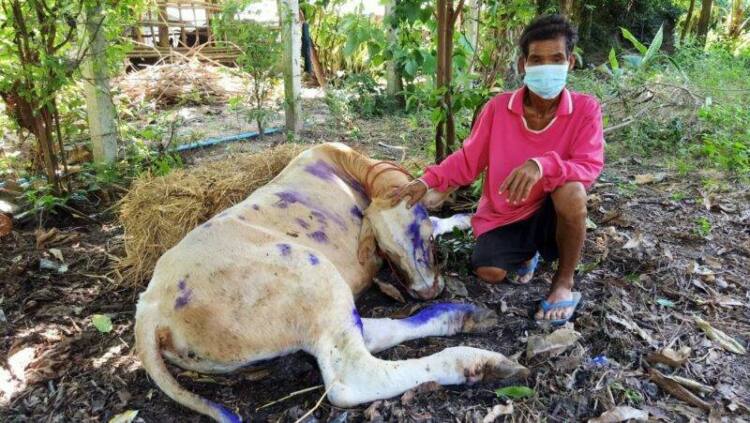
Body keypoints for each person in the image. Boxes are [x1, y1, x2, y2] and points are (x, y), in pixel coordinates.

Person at [390, 15, 604, 324]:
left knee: (571, 191)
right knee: (488, 271)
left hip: (552, 213)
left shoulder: (585, 109)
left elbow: (589, 165)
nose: (547, 67)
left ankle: (563, 282)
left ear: (570, 62)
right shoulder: (498, 109)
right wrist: (427, 181)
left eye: (556, 59)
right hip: (506, 213)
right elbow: (468, 160)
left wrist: (541, 165)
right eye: (537, 60)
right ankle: (526, 255)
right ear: (522, 65)